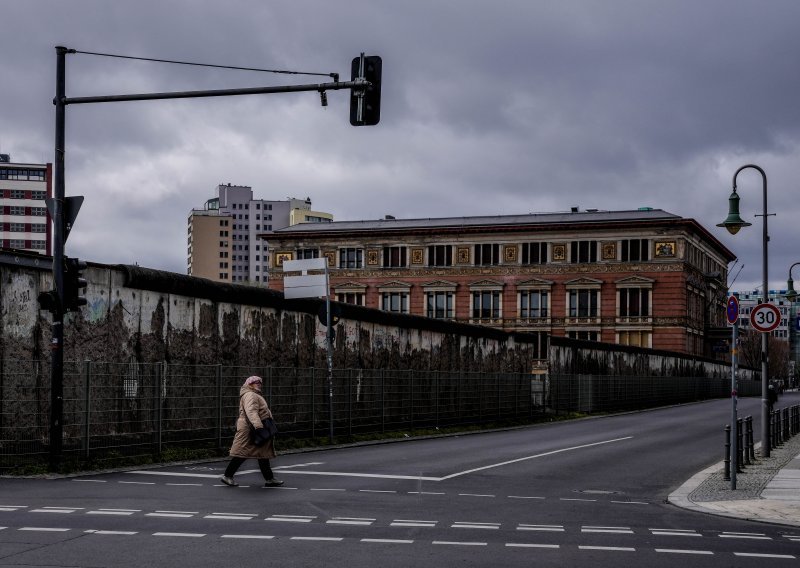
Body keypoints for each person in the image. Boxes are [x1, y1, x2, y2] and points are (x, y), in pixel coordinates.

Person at [220, 375, 284, 488]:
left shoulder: (254, 394)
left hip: (252, 427)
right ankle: (227, 476)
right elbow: (251, 411)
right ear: (249, 384)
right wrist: (258, 426)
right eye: (255, 382)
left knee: (262, 454)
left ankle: (269, 479)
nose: (259, 384)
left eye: (260, 382)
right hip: (250, 428)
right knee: (242, 453)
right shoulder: (250, 395)